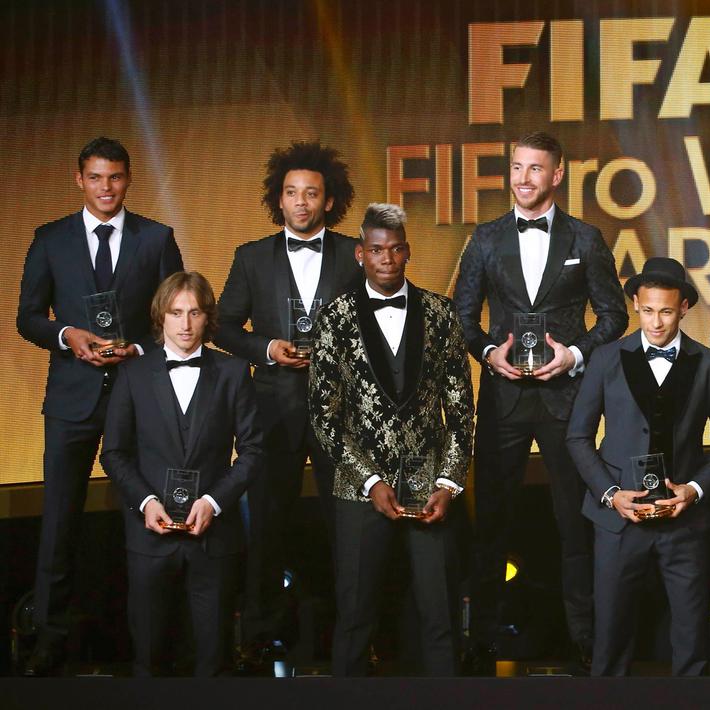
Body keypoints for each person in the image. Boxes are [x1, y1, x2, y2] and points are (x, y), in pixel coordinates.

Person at [452, 131, 627, 672]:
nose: (523, 179)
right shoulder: (483, 238)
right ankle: (480, 639)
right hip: (503, 398)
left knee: (575, 524)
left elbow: (615, 316)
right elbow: (462, 317)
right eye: (516, 167)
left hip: (566, 400)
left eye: (535, 169)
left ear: (558, 175)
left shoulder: (586, 238)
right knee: (493, 524)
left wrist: (574, 356)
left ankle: (583, 639)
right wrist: (488, 353)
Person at [16, 136, 183, 675]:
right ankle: (50, 636)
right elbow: (27, 316)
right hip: (71, 399)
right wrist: (68, 335)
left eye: (114, 177)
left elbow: (175, 315)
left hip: (137, 397)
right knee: (59, 521)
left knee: (150, 517)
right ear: (79, 179)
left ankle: (152, 640)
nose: (106, 188)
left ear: (128, 179)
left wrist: (138, 348)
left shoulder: (156, 238)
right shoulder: (50, 239)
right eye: (95, 177)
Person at [309, 203, 474, 677]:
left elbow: (462, 412)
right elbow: (323, 415)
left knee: (440, 619)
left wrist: (449, 482)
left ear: (408, 252)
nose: (386, 258)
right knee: (356, 618)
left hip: (431, 488)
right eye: (376, 250)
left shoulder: (441, 313)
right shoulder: (335, 318)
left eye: (395, 249)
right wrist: (370, 480)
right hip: (360, 491)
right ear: (360, 254)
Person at [215, 140, 360, 659]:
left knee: (349, 527)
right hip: (271, 409)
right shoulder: (251, 257)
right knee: (267, 525)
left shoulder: (354, 253)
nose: (301, 202)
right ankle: (258, 635)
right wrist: (267, 349)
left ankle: (354, 633)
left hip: (342, 412)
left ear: (329, 200)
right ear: (278, 200)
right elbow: (223, 327)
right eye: (291, 193)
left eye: (312, 194)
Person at [566, 257, 710, 676]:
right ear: (636, 307)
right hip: (619, 521)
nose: (656, 322)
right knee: (610, 640)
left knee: (692, 641)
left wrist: (693, 489)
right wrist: (611, 495)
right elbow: (577, 437)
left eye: (665, 311)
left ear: (683, 308)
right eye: (647, 310)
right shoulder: (606, 358)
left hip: (685, 523)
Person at [100, 272, 262, 676]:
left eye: (194, 312)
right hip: (148, 537)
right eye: (176, 313)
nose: (186, 324)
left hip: (214, 540)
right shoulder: (133, 373)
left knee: (213, 661)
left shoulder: (233, 372)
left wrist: (214, 502)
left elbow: (254, 451)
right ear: (161, 317)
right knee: (149, 660)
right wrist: (146, 502)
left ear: (208, 318)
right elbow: (114, 454)